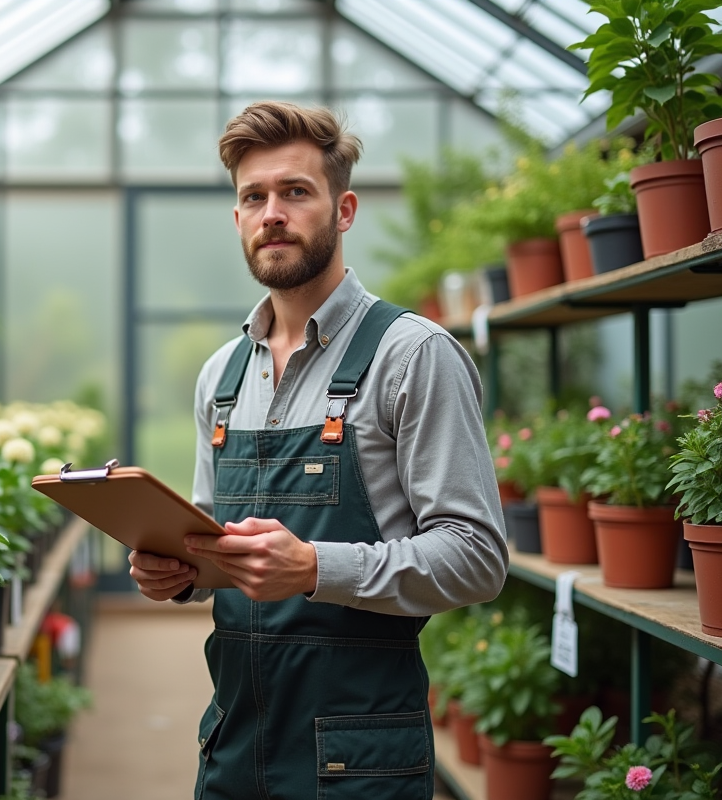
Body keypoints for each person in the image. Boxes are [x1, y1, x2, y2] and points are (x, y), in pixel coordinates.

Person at [127, 101, 508, 799]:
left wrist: (313, 567)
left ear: (344, 209)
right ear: (237, 218)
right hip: (232, 749)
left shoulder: (413, 355)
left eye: (296, 191)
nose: (273, 213)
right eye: (254, 197)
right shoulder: (221, 376)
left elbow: (477, 557)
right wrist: (179, 572)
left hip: (360, 761)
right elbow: (215, 547)